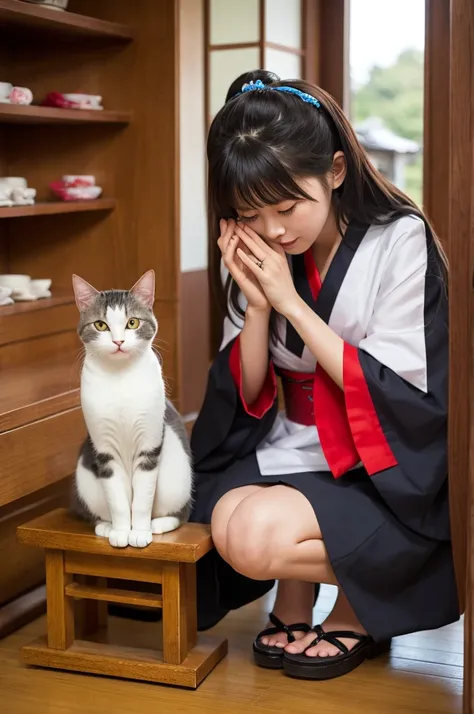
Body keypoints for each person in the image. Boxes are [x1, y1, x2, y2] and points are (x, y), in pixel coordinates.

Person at [189, 69, 459, 681]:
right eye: (251, 215)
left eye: (288, 207)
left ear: (335, 172)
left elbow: (397, 392)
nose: (274, 231)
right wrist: (258, 307)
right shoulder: (259, 247)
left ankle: (359, 608)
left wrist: (287, 302)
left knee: (253, 535)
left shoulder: (399, 240)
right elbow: (249, 391)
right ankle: (296, 592)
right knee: (218, 518)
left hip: (379, 460)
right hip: (290, 440)